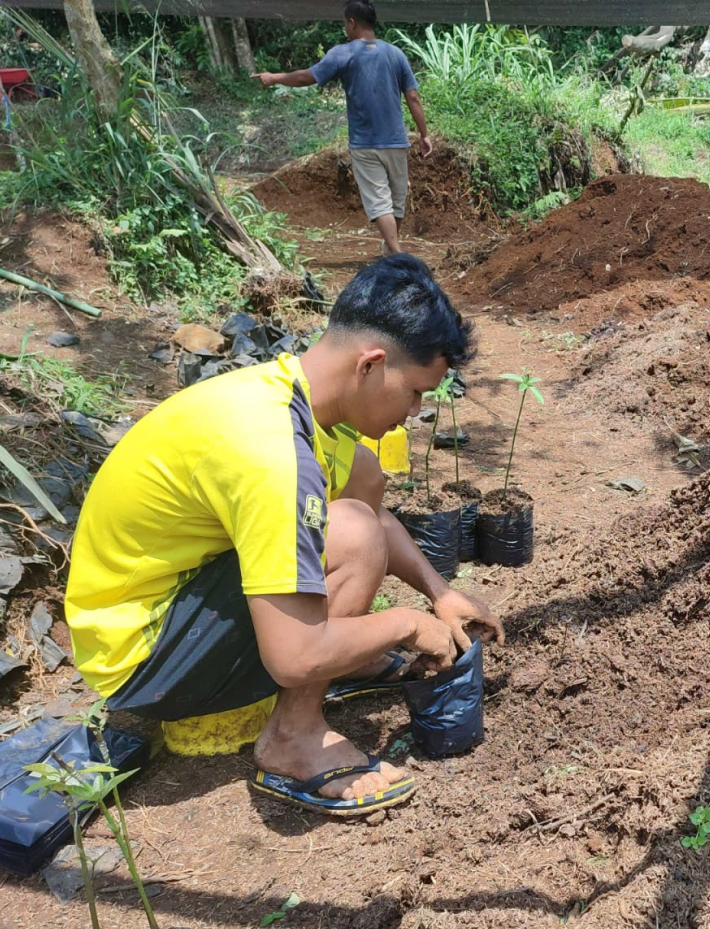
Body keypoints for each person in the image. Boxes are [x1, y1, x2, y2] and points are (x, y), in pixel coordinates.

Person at [65, 255, 504, 817]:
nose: (416, 411)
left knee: (363, 477)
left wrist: (439, 592)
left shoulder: (289, 392)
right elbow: (296, 654)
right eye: (416, 391)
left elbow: (377, 517)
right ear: (371, 365)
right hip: (141, 657)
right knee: (351, 533)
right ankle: (292, 740)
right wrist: (408, 624)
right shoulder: (271, 453)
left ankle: (342, 658)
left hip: (173, 596)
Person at [253, 1, 431, 256]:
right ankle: (392, 251)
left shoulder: (342, 53)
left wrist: (274, 78)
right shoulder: (396, 54)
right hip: (396, 141)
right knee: (395, 202)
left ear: (352, 22)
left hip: (365, 144)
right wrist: (424, 135)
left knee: (380, 203)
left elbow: (306, 77)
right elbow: (413, 97)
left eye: (345, 23)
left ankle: (397, 255)